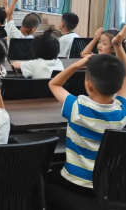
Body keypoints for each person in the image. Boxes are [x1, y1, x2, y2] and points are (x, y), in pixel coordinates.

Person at [47, 32, 126, 201]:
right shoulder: (121, 112)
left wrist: (77, 65)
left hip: (74, 183)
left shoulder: (77, 107)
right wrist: (118, 45)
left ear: (88, 85)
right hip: (105, 187)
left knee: (48, 174)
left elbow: (54, 83)